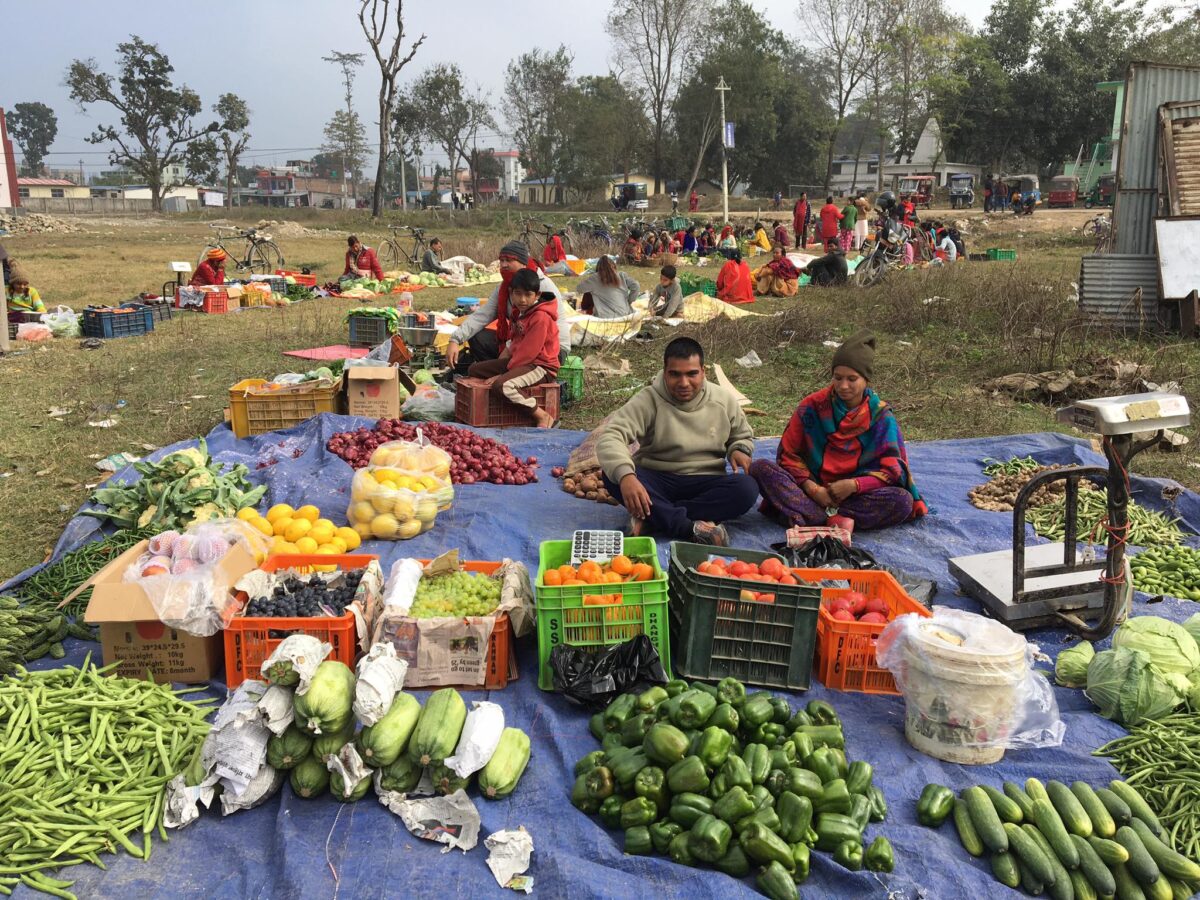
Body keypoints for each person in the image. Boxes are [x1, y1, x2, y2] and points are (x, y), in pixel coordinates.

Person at [750, 331, 926, 535]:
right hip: (810, 491)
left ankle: (813, 518)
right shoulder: (812, 406)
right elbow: (788, 454)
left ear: (866, 379)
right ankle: (832, 520)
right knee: (760, 468)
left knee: (902, 501)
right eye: (838, 377)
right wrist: (814, 490)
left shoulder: (880, 417)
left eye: (852, 379)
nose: (843, 386)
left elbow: (892, 470)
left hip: (856, 496)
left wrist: (854, 485)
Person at [598, 337, 758, 545]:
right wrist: (627, 475)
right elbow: (611, 436)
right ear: (665, 372)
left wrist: (739, 449)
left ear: (703, 372)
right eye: (675, 374)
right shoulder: (649, 399)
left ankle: (655, 516)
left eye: (692, 374)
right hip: (657, 479)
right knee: (613, 476)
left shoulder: (722, 400)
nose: (684, 383)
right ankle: (687, 527)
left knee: (746, 488)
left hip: (705, 480)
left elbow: (741, 434)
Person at [447, 240, 569, 367]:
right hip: (519, 340)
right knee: (478, 337)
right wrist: (455, 339)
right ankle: (497, 370)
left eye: (509, 260)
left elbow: (534, 331)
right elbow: (482, 315)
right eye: (502, 261)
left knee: (492, 370)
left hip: (550, 347)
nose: (504, 265)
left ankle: (503, 372)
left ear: (523, 263)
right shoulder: (504, 287)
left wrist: (509, 348)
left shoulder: (540, 285)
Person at [465, 268, 559, 428]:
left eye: (528, 295)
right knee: (474, 370)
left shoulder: (540, 317)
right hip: (519, 362)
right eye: (518, 294)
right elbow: (512, 344)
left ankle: (542, 415)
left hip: (540, 365)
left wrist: (503, 374)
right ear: (511, 293)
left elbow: (528, 353)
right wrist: (499, 367)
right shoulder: (519, 312)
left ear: (537, 295)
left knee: (502, 385)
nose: (522, 299)